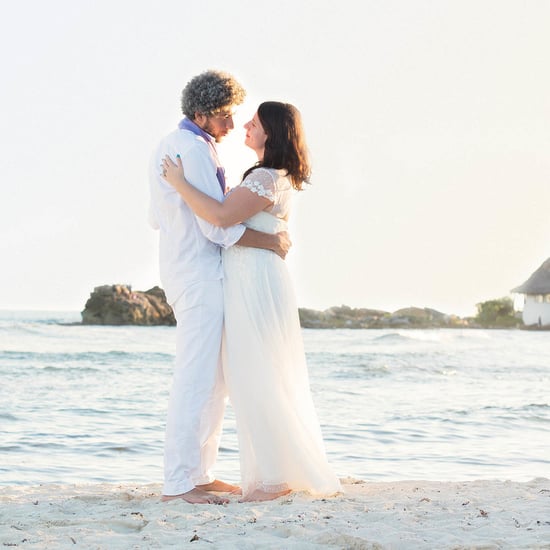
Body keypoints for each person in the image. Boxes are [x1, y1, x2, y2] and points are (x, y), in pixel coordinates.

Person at [162, 101, 342, 502]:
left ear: (272, 134)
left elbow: (221, 217)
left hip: (255, 283)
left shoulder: (265, 177)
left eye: (255, 122)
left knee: (257, 373)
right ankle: (273, 474)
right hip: (250, 280)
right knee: (255, 373)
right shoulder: (268, 176)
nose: (245, 124)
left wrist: (179, 183)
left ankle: (274, 479)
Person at [149, 71, 291, 504]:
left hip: (190, 269)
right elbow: (216, 226)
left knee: (213, 380)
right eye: (226, 117)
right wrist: (268, 240)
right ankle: (180, 483)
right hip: (199, 273)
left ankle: (199, 473)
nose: (232, 126)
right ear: (202, 114)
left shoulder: (181, 145)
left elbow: (158, 217)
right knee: (197, 377)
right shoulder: (191, 150)